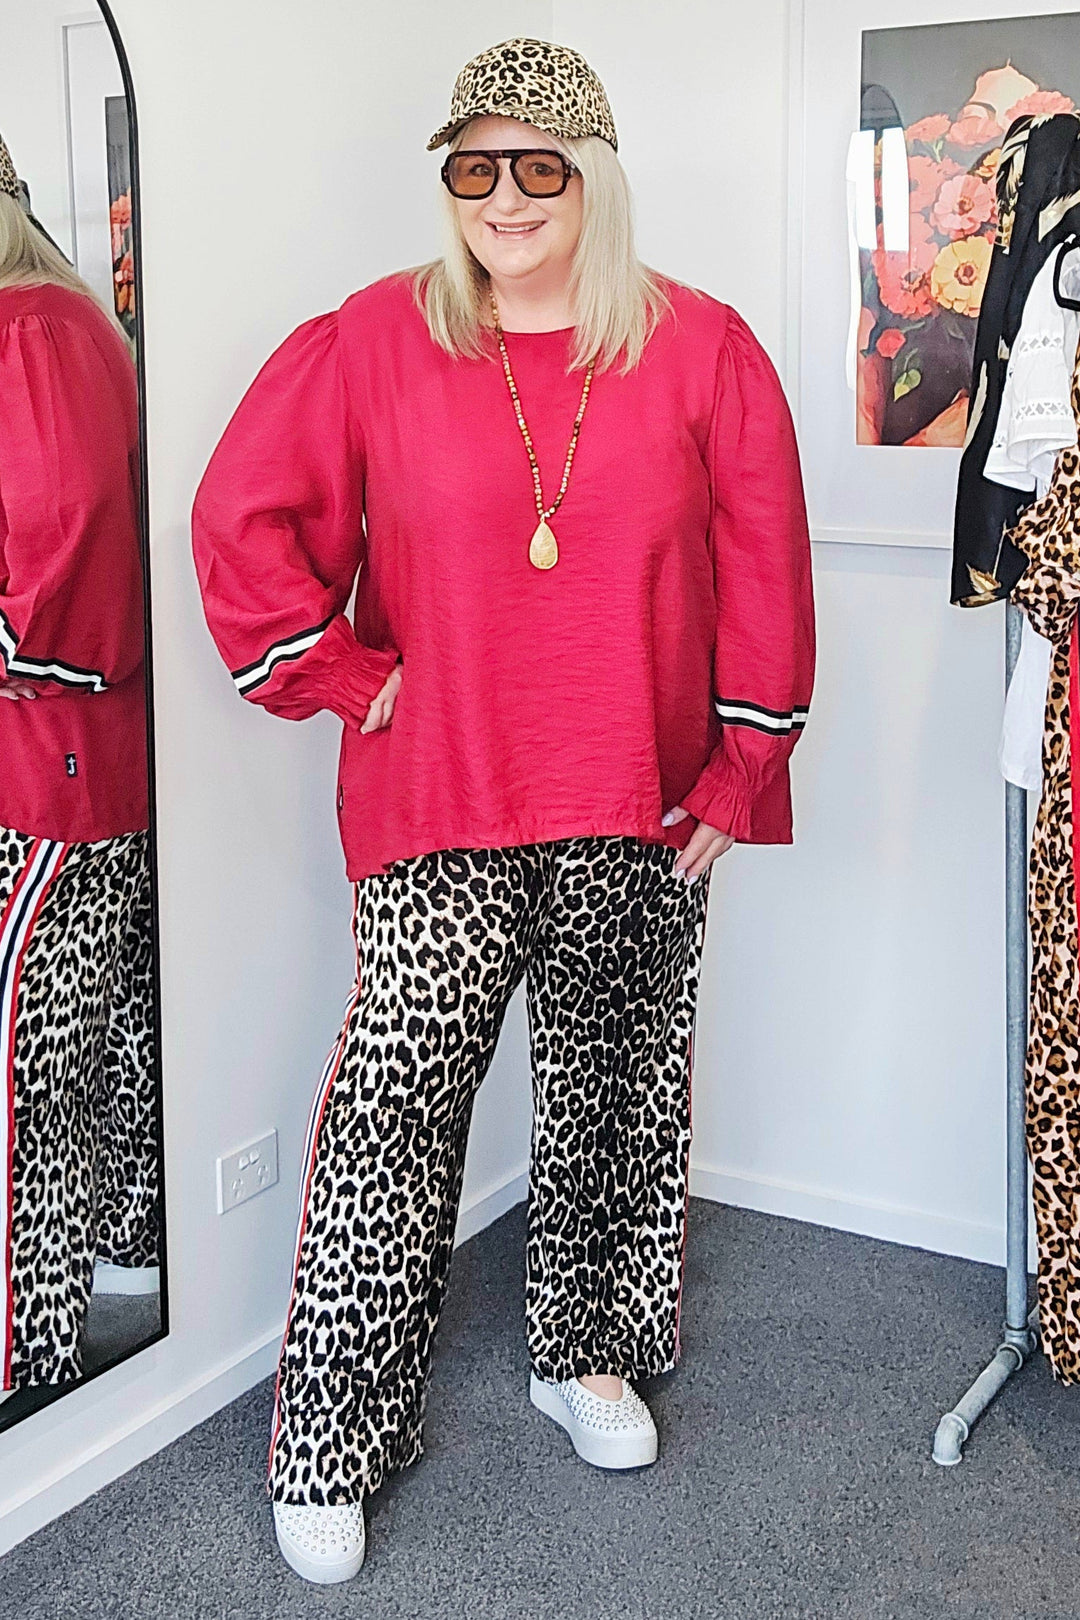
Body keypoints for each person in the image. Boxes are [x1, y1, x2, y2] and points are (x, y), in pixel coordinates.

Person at [191, 37, 815, 1585]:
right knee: (393, 1120)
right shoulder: (368, 343)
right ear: (447, 182)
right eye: (475, 167)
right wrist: (335, 671)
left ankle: (583, 1356)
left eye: (542, 166)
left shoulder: (704, 349)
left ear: (596, 177)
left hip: (641, 802)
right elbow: (236, 517)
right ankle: (335, 1429)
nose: (508, 198)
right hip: (439, 798)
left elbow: (766, 569)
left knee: (615, 1096)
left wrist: (743, 770)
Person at [0, 131, 157, 1398]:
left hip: (43, 763)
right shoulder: (53, 323)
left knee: (34, 1069)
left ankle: (29, 1344)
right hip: (59, 757)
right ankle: (62, 1308)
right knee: (69, 1054)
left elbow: (61, 558)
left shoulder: (37, 334)